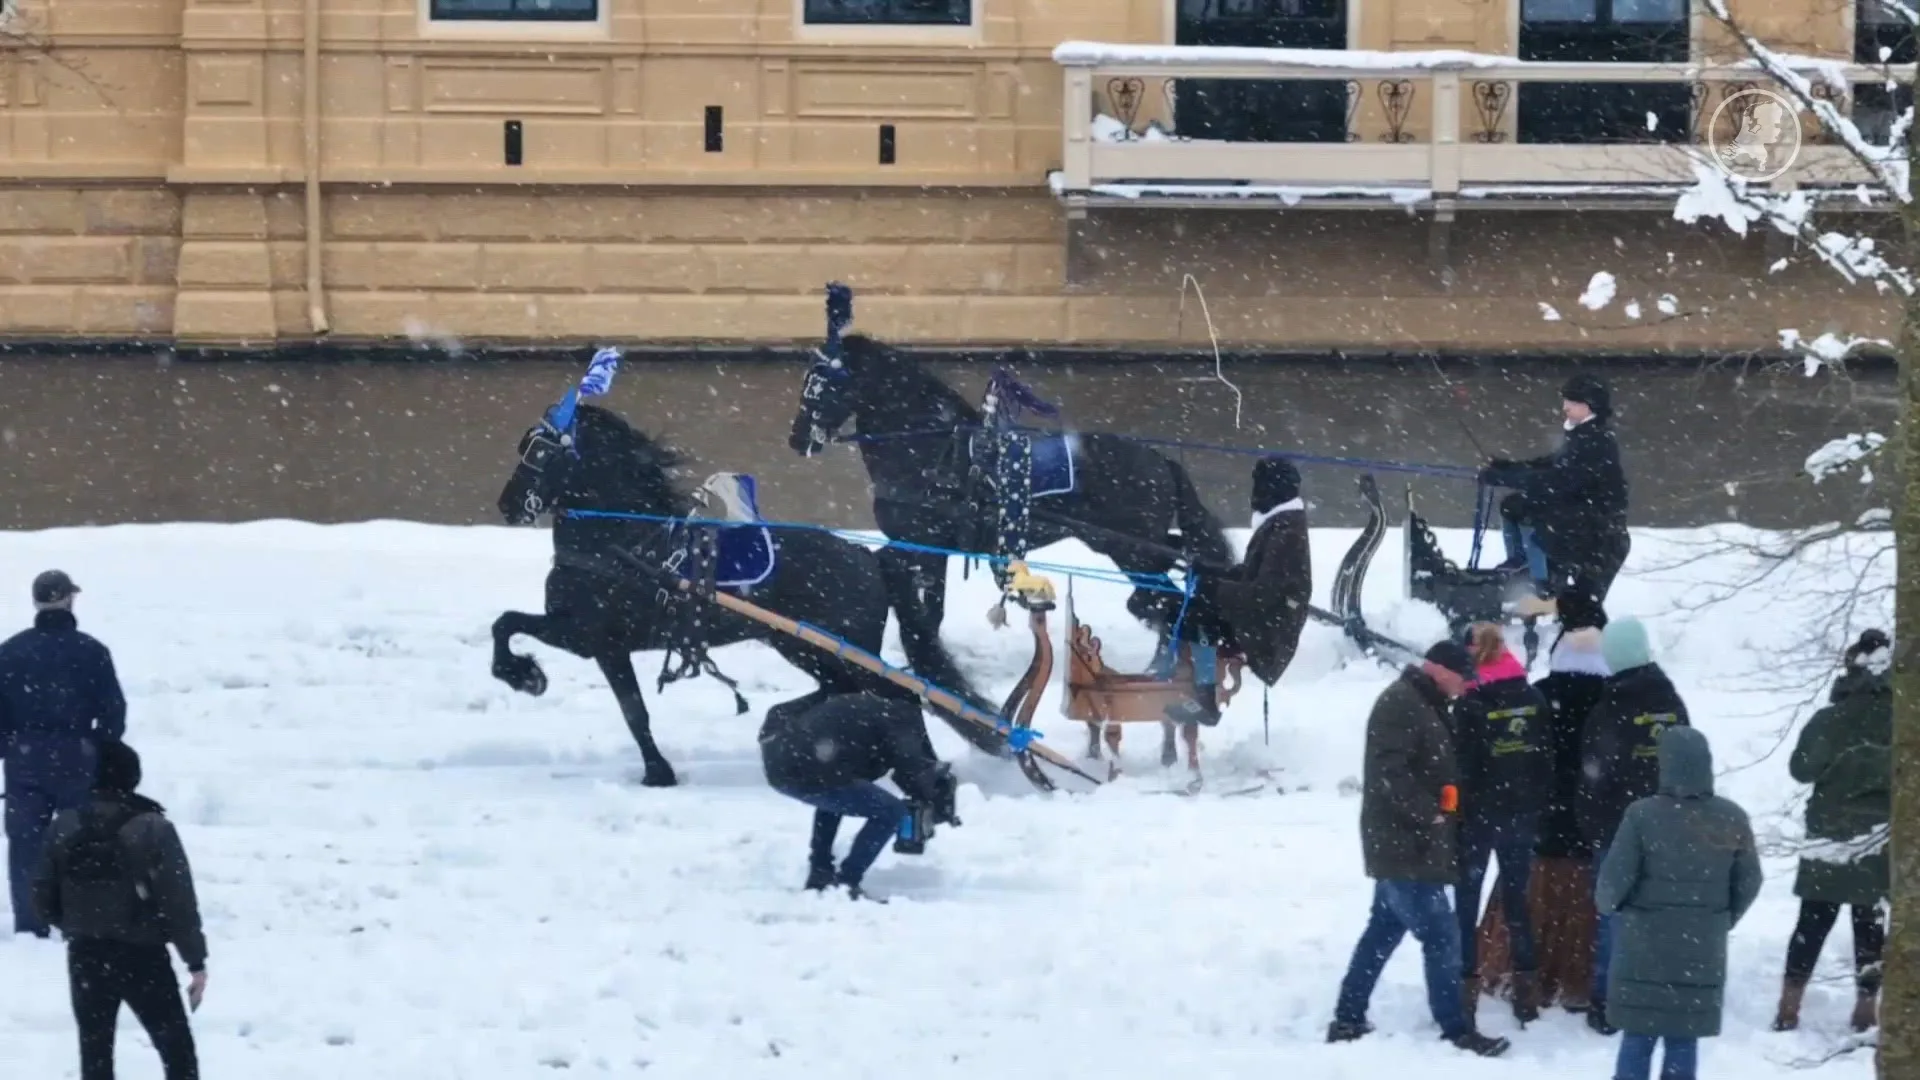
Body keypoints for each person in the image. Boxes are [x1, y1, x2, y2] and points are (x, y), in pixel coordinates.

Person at [1327, 640, 1509, 1057]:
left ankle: (1348, 1016)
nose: (1467, 686)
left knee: (1383, 931)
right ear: (1440, 670)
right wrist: (1429, 813)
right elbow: (1389, 772)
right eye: (1463, 678)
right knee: (1441, 936)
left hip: (1406, 843)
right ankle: (1457, 1029)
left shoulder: (1421, 702)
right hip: (1405, 845)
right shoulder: (1402, 705)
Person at [1595, 727, 1762, 1080]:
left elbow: (1613, 881)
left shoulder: (1642, 815)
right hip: (1702, 946)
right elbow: (1750, 880)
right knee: (1683, 1038)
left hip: (1644, 944)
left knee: (1638, 1036)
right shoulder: (1731, 817)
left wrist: (1611, 907)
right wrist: (1721, 918)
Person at [1469, 599, 1611, 1013]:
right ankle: (1583, 980)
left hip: (1541, 828)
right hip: (1594, 832)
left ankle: (1521, 974)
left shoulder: (1539, 697)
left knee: (1523, 908)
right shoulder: (1615, 701)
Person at [33, 740, 206, 1080]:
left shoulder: (65, 825)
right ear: (133, 778)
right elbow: (179, 902)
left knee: (95, 1055)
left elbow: (41, 897)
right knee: (177, 1052)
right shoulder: (154, 827)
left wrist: (75, 924)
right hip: (143, 955)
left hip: (86, 954)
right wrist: (195, 961)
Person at [1774, 629, 1892, 1034]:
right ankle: (1866, 1010)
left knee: (1812, 922)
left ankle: (1789, 1007)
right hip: (1878, 837)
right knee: (1869, 923)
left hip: (1829, 834)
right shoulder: (1906, 717)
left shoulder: (1830, 718)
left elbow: (1801, 769)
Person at [1578, 614, 1690, 1034]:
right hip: (1667, 825)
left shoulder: (1610, 709)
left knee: (1613, 916)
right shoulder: (1671, 703)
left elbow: (1594, 776)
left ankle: (1608, 1000)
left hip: (1618, 829)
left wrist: (1590, 826)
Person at [1, 569, 127, 937]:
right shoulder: (91, 651)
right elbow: (112, 710)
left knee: (26, 842)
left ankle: (31, 922)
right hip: (78, 755)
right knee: (81, 840)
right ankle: (81, 918)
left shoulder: (9, 652)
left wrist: (9, 746)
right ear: (70, 599)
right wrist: (102, 748)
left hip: (24, 756)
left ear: (36, 601)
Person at [758, 690, 958, 902]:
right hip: (812, 765)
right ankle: (848, 882)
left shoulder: (864, 705)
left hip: (779, 763)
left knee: (834, 795)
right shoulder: (900, 717)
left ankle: (820, 871)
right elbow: (909, 765)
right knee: (891, 812)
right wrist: (933, 798)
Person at [1452, 623, 1551, 1025]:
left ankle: (1463, 990)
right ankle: (1526, 990)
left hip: (1479, 818)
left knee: (1466, 904)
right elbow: (1546, 760)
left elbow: (1463, 768)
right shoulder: (1534, 698)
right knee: (1517, 906)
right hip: (1522, 816)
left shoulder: (1471, 704)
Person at [1170, 455, 1312, 726]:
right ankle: (1193, 685)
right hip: (1266, 617)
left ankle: (1205, 700)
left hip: (1271, 631)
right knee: (1192, 604)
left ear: (1272, 489)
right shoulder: (1281, 525)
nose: (1254, 494)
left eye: (1259, 486)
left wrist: (1213, 587)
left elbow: (1263, 595)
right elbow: (1251, 575)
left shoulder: (1286, 534)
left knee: (1199, 614)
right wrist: (1211, 572)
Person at [1479, 373, 1630, 622]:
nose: (1565, 407)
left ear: (1589, 404)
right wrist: (1508, 468)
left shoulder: (1596, 441)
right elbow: (1550, 465)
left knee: (1535, 515)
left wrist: (1506, 478)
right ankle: (1522, 563)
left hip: (1599, 535)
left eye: (1571, 401)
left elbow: (1557, 482)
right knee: (1514, 506)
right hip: (1581, 521)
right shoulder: (1582, 434)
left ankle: (1540, 581)